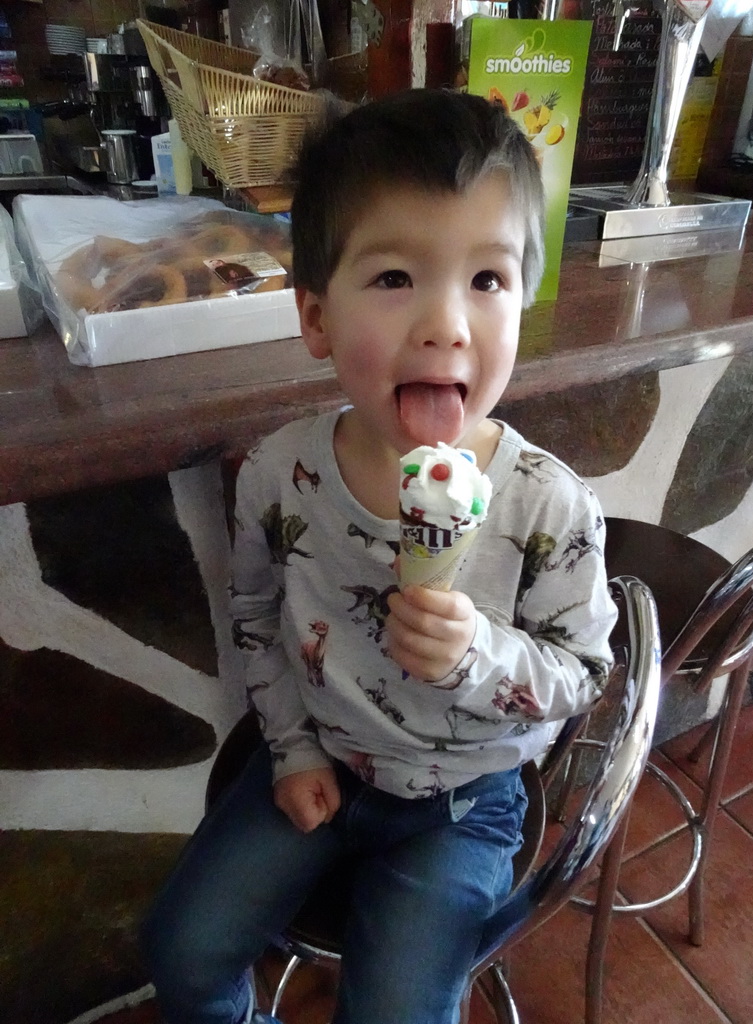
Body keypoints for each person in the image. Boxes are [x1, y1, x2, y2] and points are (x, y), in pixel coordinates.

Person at [142, 88, 618, 1024]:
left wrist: (480, 653)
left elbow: (583, 674)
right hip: (323, 752)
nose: (447, 323)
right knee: (182, 952)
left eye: (487, 280)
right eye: (396, 277)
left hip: (464, 801)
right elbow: (254, 618)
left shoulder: (548, 504)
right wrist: (289, 749)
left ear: (525, 296)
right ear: (315, 318)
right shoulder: (280, 474)